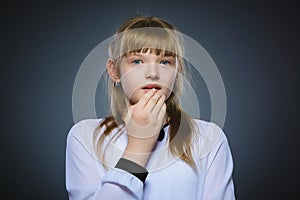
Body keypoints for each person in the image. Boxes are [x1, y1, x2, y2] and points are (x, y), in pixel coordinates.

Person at [65, 16, 235, 200]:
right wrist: (138, 146)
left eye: (165, 62)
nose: (153, 74)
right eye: (137, 61)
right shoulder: (85, 136)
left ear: (178, 71)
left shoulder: (209, 138)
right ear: (114, 71)